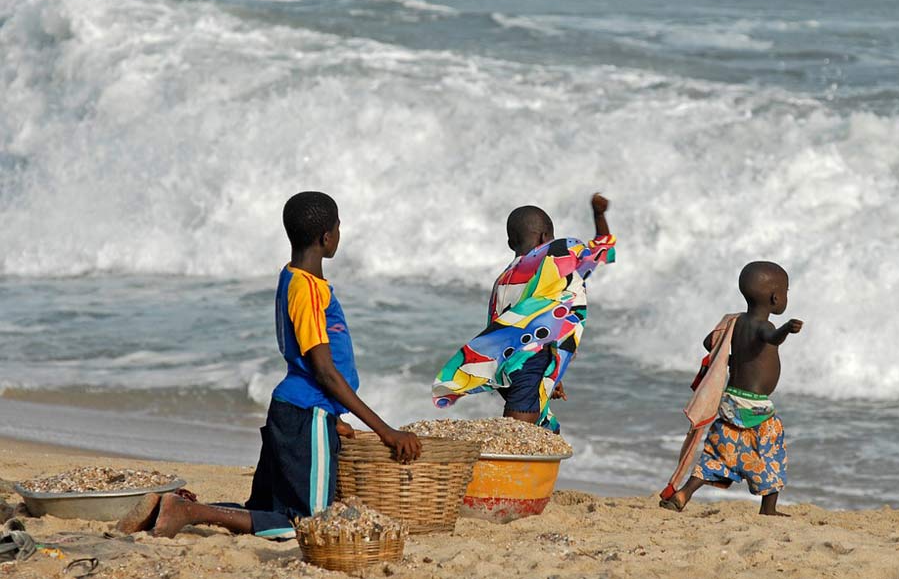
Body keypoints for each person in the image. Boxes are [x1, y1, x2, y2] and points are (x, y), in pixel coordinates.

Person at [118, 191, 421, 539]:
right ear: (326, 237)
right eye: (338, 227)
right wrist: (387, 431)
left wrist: (334, 419)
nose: (340, 233)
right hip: (305, 415)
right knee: (306, 525)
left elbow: (308, 365)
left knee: (265, 513)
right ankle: (189, 511)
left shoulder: (292, 277)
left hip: (297, 411)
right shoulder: (306, 289)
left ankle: (170, 508)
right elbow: (323, 372)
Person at [432, 194, 616, 432]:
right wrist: (598, 214)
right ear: (545, 237)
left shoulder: (503, 280)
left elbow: (502, 326)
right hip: (530, 359)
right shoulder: (557, 252)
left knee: (539, 426)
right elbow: (603, 248)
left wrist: (551, 372)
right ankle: (504, 466)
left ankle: (532, 466)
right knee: (518, 433)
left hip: (506, 362)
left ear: (511, 243)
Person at [660, 261, 802, 516]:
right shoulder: (765, 327)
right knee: (771, 452)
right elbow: (772, 338)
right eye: (786, 291)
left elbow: (709, 342)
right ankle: (768, 508)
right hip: (756, 409)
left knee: (717, 452)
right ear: (775, 297)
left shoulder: (735, 322)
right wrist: (786, 330)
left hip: (730, 402)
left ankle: (684, 493)